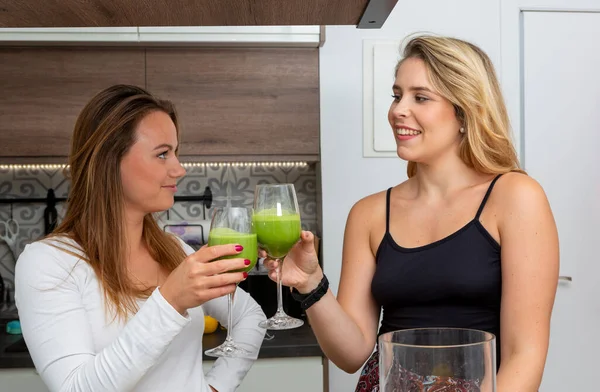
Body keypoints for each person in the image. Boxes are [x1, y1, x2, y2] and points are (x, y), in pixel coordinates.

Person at [265, 35, 559, 391]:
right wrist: (311, 285)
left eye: (420, 97)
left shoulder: (515, 198)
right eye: (397, 95)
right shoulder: (369, 214)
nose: (397, 110)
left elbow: (525, 356)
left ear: (465, 111)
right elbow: (351, 353)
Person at [14, 84, 266, 392]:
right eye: (162, 154)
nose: (180, 169)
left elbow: (250, 316)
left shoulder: (173, 249)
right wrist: (170, 300)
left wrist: (216, 386)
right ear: (109, 161)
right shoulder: (48, 262)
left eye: (176, 152)